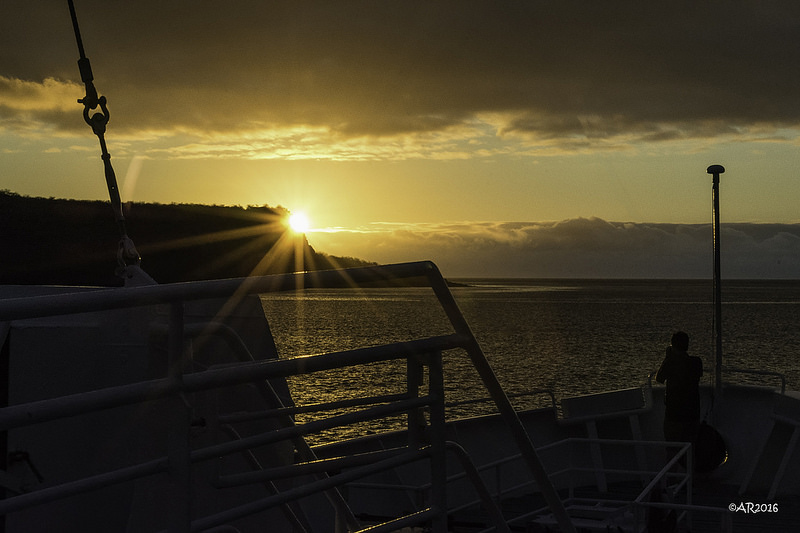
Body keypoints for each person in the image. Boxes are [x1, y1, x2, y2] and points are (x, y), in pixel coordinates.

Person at [656, 331, 703, 446]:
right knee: (690, 449)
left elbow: (659, 378)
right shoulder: (696, 362)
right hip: (692, 414)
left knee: (672, 449)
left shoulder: (671, 363)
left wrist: (668, 357)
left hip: (674, 415)